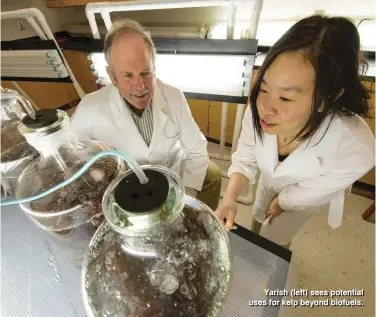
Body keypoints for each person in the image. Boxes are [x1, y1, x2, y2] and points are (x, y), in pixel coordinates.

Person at [215, 15, 375, 248]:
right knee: (259, 220)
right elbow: (246, 156)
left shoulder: (356, 148)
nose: (264, 108)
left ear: (327, 98)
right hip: (269, 183)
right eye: (264, 88)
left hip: (305, 196)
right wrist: (229, 198)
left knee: (278, 240)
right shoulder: (260, 109)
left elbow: (312, 191)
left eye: (285, 97)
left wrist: (284, 201)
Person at [70, 19, 222, 210]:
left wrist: (186, 200)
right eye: (128, 75)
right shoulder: (90, 108)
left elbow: (197, 151)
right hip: (123, 186)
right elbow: (70, 156)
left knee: (213, 173)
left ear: (155, 67)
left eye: (145, 73)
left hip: (169, 172)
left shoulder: (173, 97)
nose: (140, 87)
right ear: (112, 76)